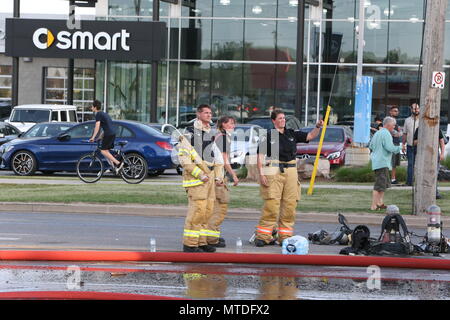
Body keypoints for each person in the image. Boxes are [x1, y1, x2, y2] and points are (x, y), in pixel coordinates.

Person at [254, 109, 323, 247]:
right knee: (272, 205)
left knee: (290, 205)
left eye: (284, 118)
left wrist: (317, 127)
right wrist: (261, 174)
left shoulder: (291, 133)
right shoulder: (268, 135)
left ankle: (284, 236)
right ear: (273, 120)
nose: (283, 120)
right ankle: (263, 236)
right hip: (273, 170)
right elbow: (260, 156)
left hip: (291, 170)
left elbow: (309, 136)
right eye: (280, 118)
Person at [177, 104, 221, 253]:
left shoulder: (209, 133)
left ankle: (201, 242)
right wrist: (199, 174)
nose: (209, 115)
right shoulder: (189, 134)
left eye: (210, 113)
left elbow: (215, 156)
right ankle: (190, 244)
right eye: (206, 113)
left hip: (209, 179)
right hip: (197, 180)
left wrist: (218, 176)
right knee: (197, 212)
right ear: (198, 114)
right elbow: (184, 159)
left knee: (207, 212)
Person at [206, 116, 239, 248]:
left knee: (213, 207)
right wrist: (234, 175)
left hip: (213, 176)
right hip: (218, 177)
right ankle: (212, 237)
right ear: (224, 125)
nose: (234, 126)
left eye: (234, 123)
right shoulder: (224, 138)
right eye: (231, 123)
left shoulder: (218, 136)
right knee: (220, 208)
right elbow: (224, 161)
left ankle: (211, 236)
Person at [369, 116, 402, 211]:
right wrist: (399, 148)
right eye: (393, 125)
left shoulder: (377, 133)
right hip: (382, 162)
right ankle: (374, 205)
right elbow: (390, 148)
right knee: (379, 185)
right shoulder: (386, 134)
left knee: (383, 185)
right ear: (388, 125)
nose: (394, 127)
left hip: (376, 162)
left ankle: (380, 203)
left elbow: (371, 145)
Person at [89, 100, 123, 174]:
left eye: (92, 106)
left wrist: (93, 137)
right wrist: (99, 137)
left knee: (103, 151)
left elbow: (97, 127)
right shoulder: (104, 114)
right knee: (106, 152)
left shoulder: (98, 114)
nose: (91, 108)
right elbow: (106, 127)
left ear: (95, 107)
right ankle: (114, 168)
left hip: (108, 134)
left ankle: (118, 163)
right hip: (111, 133)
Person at [413, 127, 446, 199]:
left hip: (434, 154)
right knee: (421, 173)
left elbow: (441, 141)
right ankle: (420, 192)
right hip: (422, 155)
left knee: (434, 173)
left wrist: (442, 153)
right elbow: (414, 142)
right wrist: (422, 139)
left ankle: (435, 193)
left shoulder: (437, 128)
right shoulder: (420, 128)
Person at [402, 103, 420, 186]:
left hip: (420, 147)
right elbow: (405, 133)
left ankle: (419, 182)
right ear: (411, 109)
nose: (416, 110)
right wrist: (403, 144)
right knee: (410, 164)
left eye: (417, 108)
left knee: (420, 165)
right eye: (414, 108)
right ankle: (409, 182)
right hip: (410, 146)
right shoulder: (407, 120)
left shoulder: (422, 120)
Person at [388, 106, 402, 184]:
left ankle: (393, 179)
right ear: (390, 112)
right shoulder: (388, 121)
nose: (396, 112)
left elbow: (400, 133)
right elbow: (395, 133)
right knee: (390, 161)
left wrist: (399, 133)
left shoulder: (396, 121)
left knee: (395, 163)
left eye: (397, 111)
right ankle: (387, 178)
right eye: (394, 111)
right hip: (390, 143)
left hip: (396, 143)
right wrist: (399, 133)